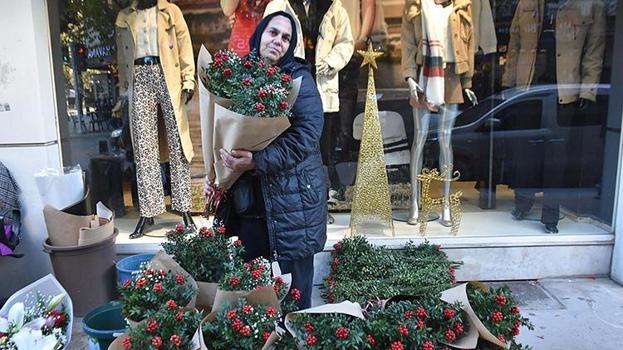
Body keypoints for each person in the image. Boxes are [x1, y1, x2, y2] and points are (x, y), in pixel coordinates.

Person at [208, 11, 327, 309]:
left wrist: (257, 160)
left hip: (294, 207)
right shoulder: (237, 79)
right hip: (251, 207)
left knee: (294, 299)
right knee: (255, 296)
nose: (278, 41)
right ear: (259, 33)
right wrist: (219, 177)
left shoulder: (300, 81)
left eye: (286, 38)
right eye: (273, 32)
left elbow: (306, 137)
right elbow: (224, 134)